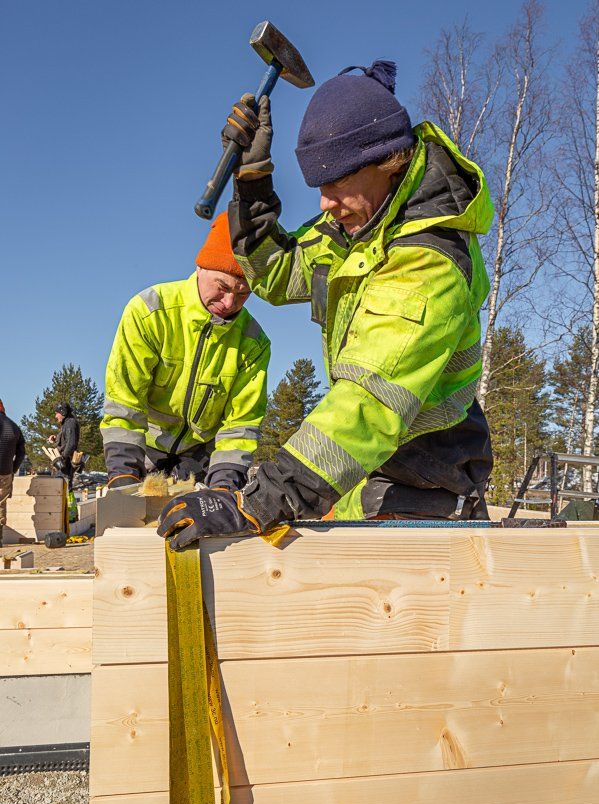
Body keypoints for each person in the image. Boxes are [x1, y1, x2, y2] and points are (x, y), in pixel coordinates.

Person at [158, 60, 494, 549]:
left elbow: (370, 401)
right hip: (370, 460)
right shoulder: (358, 227)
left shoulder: (428, 263)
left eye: (335, 184)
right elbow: (277, 273)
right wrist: (252, 181)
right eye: (320, 187)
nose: (324, 204)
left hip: (428, 473)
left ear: (388, 161)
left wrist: (256, 502)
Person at [101, 212, 270, 490]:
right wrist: (122, 475)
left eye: (242, 294)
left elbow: (239, 427)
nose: (229, 303)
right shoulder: (150, 311)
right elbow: (125, 403)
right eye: (222, 287)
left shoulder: (253, 343)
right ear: (200, 267)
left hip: (200, 458)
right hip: (144, 450)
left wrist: (223, 488)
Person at [0, 400, 26, 547]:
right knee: (1, 504)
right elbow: (21, 452)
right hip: (5, 471)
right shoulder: (14, 426)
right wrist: (13, 469)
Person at [50, 402, 81, 489]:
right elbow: (66, 440)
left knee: (62, 489)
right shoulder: (66, 424)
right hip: (64, 464)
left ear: (63, 412)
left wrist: (62, 458)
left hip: (65, 465)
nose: (56, 416)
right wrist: (56, 439)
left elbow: (71, 444)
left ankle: (68, 503)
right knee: (61, 491)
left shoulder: (70, 423)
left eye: (57, 413)